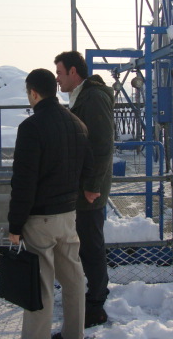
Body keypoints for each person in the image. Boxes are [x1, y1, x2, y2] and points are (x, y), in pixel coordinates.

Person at [7, 68, 93, 339]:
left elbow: (24, 181)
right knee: (74, 280)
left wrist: (15, 224)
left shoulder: (31, 127)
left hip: (40, 219)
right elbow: (88, 168)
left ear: (33, 93)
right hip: (68, 215)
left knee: (40, 287)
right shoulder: (76, 123)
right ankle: (73, 334)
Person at [54, 51, 115, 328]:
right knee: (84, 243)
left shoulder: (94, 98)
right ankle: (89, 296)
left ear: (74, 72)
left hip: (90, 189)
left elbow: (102, 145)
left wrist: (92, 187)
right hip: (83, 185)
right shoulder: (82, 97)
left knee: (91, 244)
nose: (57, 79)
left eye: (60, 73)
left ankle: (96, 305)